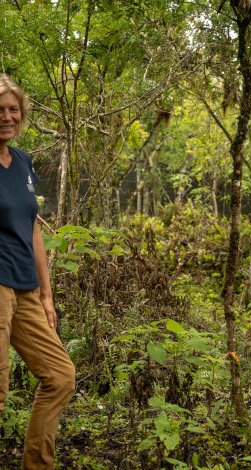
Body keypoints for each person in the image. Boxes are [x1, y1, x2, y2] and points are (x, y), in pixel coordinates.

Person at [0, 74, 75, 469]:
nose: (7, 116)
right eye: (0, 109)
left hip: (26, 287)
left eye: (13, 109)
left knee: (60, 376)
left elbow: (33, 229)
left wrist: (46, 296)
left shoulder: (23, 162)